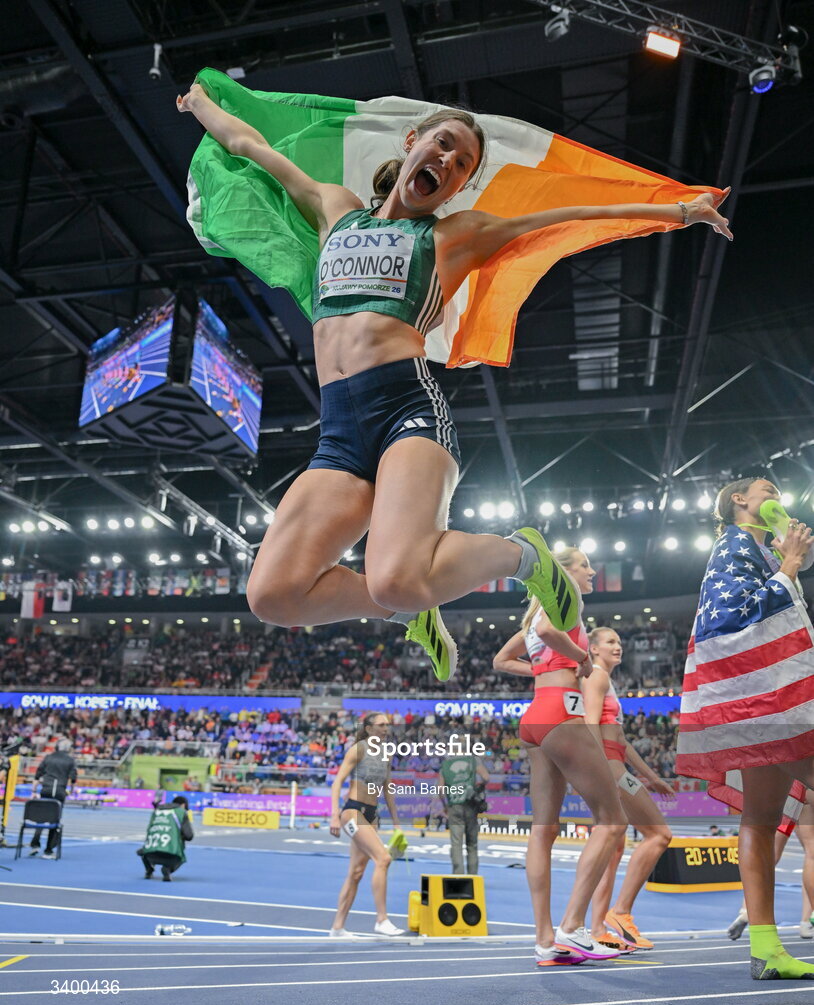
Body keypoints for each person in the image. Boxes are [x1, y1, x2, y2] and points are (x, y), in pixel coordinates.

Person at [177, 82, 731, 683]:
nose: (448, 160)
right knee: (274, 596)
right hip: (338, 432)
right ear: (411, 142)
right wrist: (199, 104)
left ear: (461, 185)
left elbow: (567, 214)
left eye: (463, 162)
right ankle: (405, 610)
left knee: (397, 576)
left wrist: (677, 212)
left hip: (407, 413)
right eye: (442, 144)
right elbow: (252, 146)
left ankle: (525, 556)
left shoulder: (453, 235)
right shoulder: (336, 208)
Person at [676, 477, 814, 980]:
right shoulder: (732, 545)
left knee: (758, 820)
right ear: (739, 500)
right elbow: (729, 621)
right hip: (770, 702)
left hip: (766, 701)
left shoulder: (758, 552)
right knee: (759, 821)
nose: (778, 494)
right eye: (766, 488)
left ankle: (766, 948)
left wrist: (786, 561)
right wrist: (790, 564)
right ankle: (766, 946)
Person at [493, 547, 626, 965]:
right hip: (561, 713)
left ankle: (546, 940)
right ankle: (572, 927)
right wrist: (583, 658)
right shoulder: (566, 599)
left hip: (535, 716)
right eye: (584, 564)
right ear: (564, 571)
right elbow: (551, 630)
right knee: (612, 820)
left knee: (543, 830)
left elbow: (501, 661)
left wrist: (544, 669)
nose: (592, 570)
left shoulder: (532, 613)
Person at [582, 627, 674, 951]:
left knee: (613, 850)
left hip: (613, 765)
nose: (618, 646)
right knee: (659, 834)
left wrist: (651, 776)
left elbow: (620, 739)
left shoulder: (605, 680)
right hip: (610, 770)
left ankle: (598, 930)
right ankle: (620, 912)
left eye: (619, 642)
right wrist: (602, 775)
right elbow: (589, 726)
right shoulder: (597, 677)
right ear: (594, 649)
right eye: (610, 642)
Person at [329, 713, 404, 937]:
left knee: (356, 872)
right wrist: (334, 815)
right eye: (381, 725)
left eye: (387, 725)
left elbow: (387, 789)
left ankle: (337, 928)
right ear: (369, 729)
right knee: (383, 859)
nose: (385, 729)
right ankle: (382, 920)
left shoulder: (386, 753)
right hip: (353, 811)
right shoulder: (358, 749)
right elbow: (337, 782)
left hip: (371, 814)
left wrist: (397, 823)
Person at [728, 792, 814, 941]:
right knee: (811, 852)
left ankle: (746, 910)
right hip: (804, 794)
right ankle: (806, 921)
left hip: (785, 795)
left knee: (769, 855)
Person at [439, 741, 490, 875]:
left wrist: (445, 805)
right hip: (470, 805)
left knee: (456, 843)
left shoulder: (445, 765)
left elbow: (440, 790)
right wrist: (478, 787)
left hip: (454, 805)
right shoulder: (473, 760)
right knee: (472, 844)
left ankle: (458, 877)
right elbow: (486, 777)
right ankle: (473, 877)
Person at [29, 738, 76, 859]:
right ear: (68, 749)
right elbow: (73, 778)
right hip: (59, 792)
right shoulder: (70, 760)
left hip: (46, 790)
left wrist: (34, 791)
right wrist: (71, 790)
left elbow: (38, 774)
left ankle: (35, 844)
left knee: (41, 818)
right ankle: (48, 850)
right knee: (55, 821)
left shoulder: (48, 757)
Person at [138, 795, 194, 881]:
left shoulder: (157, 811)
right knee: (181, 857)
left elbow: (149, 830)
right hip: (171, 855)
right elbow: (189, 836)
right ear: (183, 805)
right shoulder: (181, 812)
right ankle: (168, 869)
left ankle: (149, 870)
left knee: (145, 850)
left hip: (150, 854)